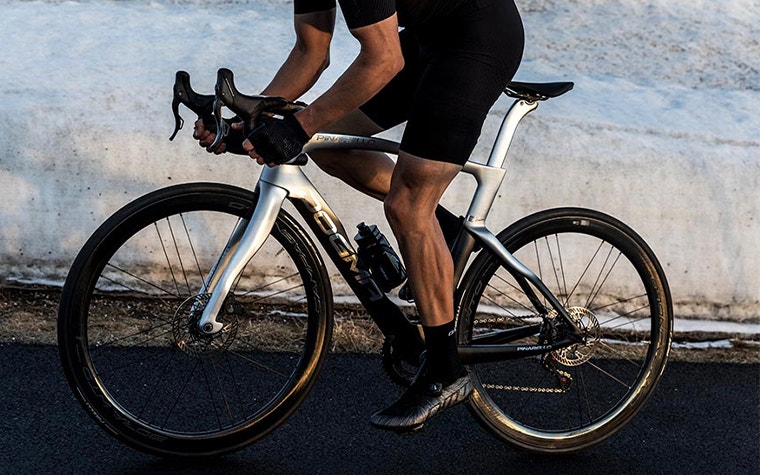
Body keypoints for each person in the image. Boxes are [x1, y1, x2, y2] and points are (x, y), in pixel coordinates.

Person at [194, 0, 524, 432]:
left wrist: (297, 126)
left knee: (407, 205)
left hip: (478, 40)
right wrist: (252, 122)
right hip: (430, 41)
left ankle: (446, 371)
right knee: (331, 143)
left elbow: (383, 58)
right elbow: (310, 52)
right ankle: (441, 231)